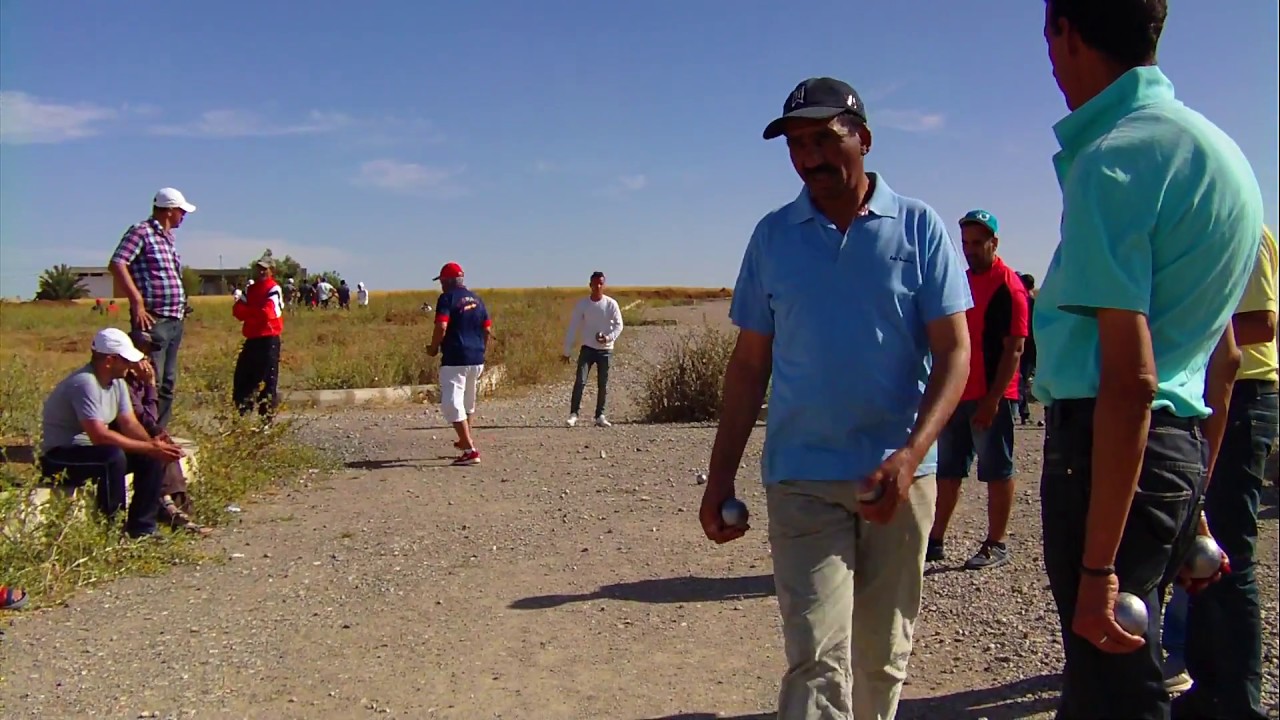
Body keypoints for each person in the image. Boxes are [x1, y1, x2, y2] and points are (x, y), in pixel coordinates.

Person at [699, 76, 972, 720]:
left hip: (899, 481)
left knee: (881, 658)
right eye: (795, 143)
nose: (809, 156)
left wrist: (912, 454)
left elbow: (955, 354)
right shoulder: (773, 237)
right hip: (802, 477)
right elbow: (748, 367)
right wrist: (719, 477)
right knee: (818, 656)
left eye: (824, 138)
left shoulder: (920, 228)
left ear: (865, 140)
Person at [1035, 2, 1264, 718]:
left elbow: (1130, 382)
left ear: (1066, 30)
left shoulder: (1116, 159)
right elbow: (1221, 361)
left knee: (1113, 690)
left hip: (1107, 451)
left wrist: (1098, 567)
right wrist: (1194, 510)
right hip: (1173, 457)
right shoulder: (1222, 155)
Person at [1162, 225, 1278, 719]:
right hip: (1207, 391)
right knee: (1201, 551)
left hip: (1244, 393)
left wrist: (1185, 322)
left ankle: (1238, 701)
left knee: (1229, 551)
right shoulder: (1210, 231)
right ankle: (1208, 686)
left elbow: (1261, 323)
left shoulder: (1244, 230)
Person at [928, 209, 1028, 571]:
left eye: (977, 242)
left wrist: (993, 400)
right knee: (949, 470)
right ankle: (935, 539)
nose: (970, 250)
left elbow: (1014, 348)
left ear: (993, 243)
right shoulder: (961, 281)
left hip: (991, 396)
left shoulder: (1009, 286)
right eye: (965, 243)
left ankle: (996, 542)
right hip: (959, 393)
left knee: (996, 469)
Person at [38, 328, 186, 538]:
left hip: (91, 452)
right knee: (112, 457)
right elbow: (99, 435)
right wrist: (150, 446)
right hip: (59, 457)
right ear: (109, 361)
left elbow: (129, 423)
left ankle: (143, 527)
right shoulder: (85, 383)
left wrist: (153, 447)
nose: (130, 365)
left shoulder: (117, 382)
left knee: (148, 457)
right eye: (125, 360)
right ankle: (112, 528)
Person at [109, 187, 196, 430]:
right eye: (181, 211)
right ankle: (142, 431)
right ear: (169, 210)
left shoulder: (167, 239)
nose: (183, 216)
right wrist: (137, 301)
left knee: (167, 380)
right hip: (153, 318)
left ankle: (159, 430)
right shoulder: (141, 232)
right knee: (148, 376)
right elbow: (118, 263)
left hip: (174, 319)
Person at [125, 330, 211, 535]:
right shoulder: (124, 383)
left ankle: (174, 505)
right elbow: (143, 418)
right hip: (123, 435)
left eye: (148, 354)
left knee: (165, 443)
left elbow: (151, 417)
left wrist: (150, 386)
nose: (146, 359)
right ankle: (170, 508)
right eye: (141, 353)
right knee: (158, 447)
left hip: (138, 431)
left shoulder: (141, 381)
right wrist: (150, 386)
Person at [427, 262, 492, 466]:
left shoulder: (447, 298)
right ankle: (466, 440)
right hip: (476, 358)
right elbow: (487, 329)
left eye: (442, 282)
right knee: (467, 402)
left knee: (451, 402)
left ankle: (469, 449)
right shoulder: (477, 299)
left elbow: (442, 326)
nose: (441, 286)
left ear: (446, 281)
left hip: (455, 357)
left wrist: (433, 347)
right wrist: (482, 349)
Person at [562, 271, 624, 428]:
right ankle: (573, 414)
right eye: (595, 283)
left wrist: (608, 338)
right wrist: (566, 350)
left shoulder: (611, 304)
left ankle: (600, 415)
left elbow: (619, 325)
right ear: (590, 285)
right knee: (580, 381)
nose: (598, 286)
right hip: (587, 348)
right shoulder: (583, 305)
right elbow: (573, 326)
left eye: (600, 283)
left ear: (604, 285)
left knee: (603, 383)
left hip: (605, 350)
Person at [231, 258, 284, 418]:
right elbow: (237, 310)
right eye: (259, 268)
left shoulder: (274, 288)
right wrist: (255, 313)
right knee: (243, 378)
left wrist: (249, 313)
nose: (261, 272)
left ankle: (265, 421)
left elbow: (267, 312)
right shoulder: (251, 289)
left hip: (268, 339)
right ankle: (243, 415)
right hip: (252, 339)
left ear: (272, 271)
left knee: (267, 381)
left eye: (265, 269)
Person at [1016, 273, 1039, 425]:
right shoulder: (1036, 304)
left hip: (1023, 346)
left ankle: (1023, 412)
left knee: (1021, 380)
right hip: (1035, 347)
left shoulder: (1022, 302)